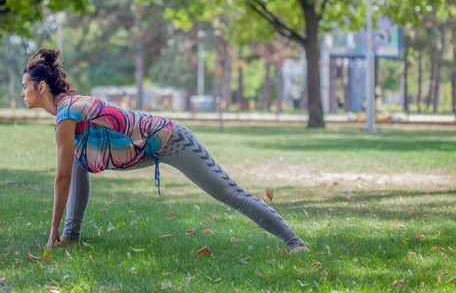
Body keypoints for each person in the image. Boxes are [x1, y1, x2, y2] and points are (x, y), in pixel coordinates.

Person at [21, 49, 308, 254]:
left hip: (171, 140)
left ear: (42, 87)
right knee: (78, 157)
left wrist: (52, 231)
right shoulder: (69, 111)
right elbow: (76, 165)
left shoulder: (66, 113)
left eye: (26, 87)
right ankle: (72, 236)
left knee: (230, 194)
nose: (22, 93)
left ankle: (295, 242)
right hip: (147, 147)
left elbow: (62, 179)